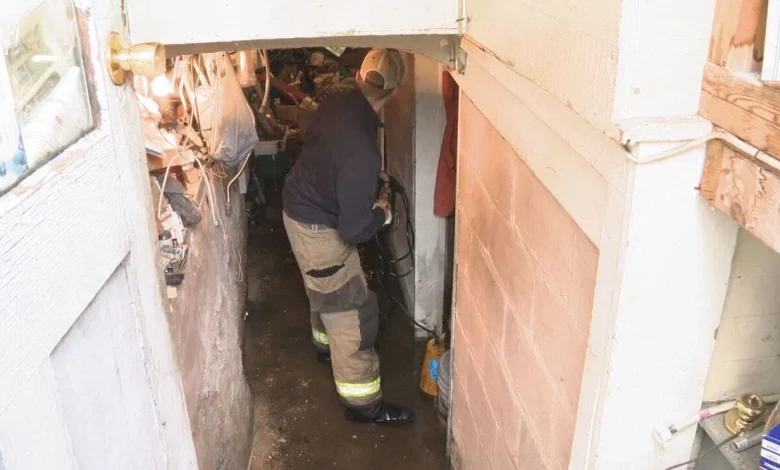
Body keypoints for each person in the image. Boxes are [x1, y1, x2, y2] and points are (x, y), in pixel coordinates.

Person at [281, 49, 414, 425]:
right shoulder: (363, 152)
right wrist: (383, 211)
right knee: (352, 311)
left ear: (358, 75)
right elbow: (354, 229)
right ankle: (364, 405)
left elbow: (328, 156)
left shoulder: (336, 103)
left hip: (298, 209)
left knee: (321, 288)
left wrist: (365, 184)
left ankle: (323, 348)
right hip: (319, 230)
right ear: (395, 91)